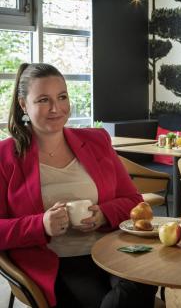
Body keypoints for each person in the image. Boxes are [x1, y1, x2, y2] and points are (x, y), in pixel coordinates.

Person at [0, 63, 157, 308]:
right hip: (58, 262)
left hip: (111, 250)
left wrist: (104, 214)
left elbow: (134, 201)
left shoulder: (97, 140)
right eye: (43, 100)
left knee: (145, 277)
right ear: (23, 105)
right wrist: (40, 224)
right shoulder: (5, 156)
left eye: (62, 97)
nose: (56, 108)